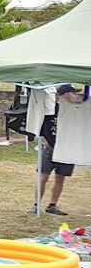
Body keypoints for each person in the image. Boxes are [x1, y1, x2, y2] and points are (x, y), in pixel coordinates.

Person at [39, 84, 82, 215]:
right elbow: (41, 124)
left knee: (60, 177)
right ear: (66, 95)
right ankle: (36, 205)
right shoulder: (52, 109)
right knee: (43, 176)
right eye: (74, 93)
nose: (77, 96)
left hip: (68, 148)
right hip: (51, 146)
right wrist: (44, 140)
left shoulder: (77, 110)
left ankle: (53, 205)